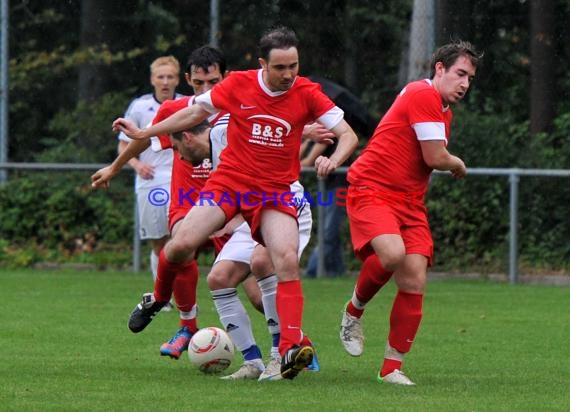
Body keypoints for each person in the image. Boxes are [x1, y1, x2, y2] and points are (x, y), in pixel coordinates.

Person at [112, 26, 359, 380]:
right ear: (263, 64)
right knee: (180, 245)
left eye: (294, 65)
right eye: (281, 68)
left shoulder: (306, 92)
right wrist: (146, 133)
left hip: (275, 191)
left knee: (282, 260)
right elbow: (193, 113)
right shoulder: (239, 84)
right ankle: (158, 298)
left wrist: (334, 160)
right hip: (231, 183)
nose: (289, 74)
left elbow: (347, 133)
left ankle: (289, 347)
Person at [339, 40, 483, 385]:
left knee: (414, 277)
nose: (464, 83)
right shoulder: (424, 95)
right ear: (439, 69)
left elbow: (425, 158)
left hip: (409, 202)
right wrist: (457, 162)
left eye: (470, 78)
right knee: (392, 253)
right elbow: (436, 158)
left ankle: (391, 369)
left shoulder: (442, 108)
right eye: (460, 73)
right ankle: (352, 312)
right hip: (372, 188)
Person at [117, 55, 183, 310]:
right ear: (152, 79)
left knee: (180, 239)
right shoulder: (139, 107)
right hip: (151, 181)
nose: (165, 82)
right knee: (160, 240)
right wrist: (137, 164)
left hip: (181, 179)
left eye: (170, 77)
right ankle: (162, 295)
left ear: (178, 79)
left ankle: (179, 294)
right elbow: (124, 143)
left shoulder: (187, 104)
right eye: (160, 77)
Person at [302, 138, 348, 277]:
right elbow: (294, 157)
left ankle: (311, 271)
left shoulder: (327, 134)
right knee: (330, 231)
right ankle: (337, 272)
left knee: (328, 232)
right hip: (327, 187)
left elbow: (306, 162)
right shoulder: (312, 136)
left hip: (338, 187)